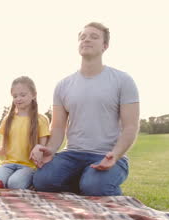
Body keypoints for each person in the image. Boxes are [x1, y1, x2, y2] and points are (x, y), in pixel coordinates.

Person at [32, 22, 140, 196]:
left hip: (107, 154)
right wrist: (50, 149)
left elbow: (131, 127)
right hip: (73, 154)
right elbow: (58, 126)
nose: (86, 39)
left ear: (105, 46)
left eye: (94, 36)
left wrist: (115, 154)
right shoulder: (63, 85)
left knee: (94, 187)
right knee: (42, 181)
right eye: (83, 37)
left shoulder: (123, 80)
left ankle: (93, 184)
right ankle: (85, 182)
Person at [0, 76, 50, 189]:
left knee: (14, 184)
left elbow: (42, 149)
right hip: (8, 165)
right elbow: (3, 149)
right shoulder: (8, 119)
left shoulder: (41, 119)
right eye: (15, 96)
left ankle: (32, 183)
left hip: (28, 167)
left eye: (23, 95)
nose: (18, 99)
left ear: (34, 95)